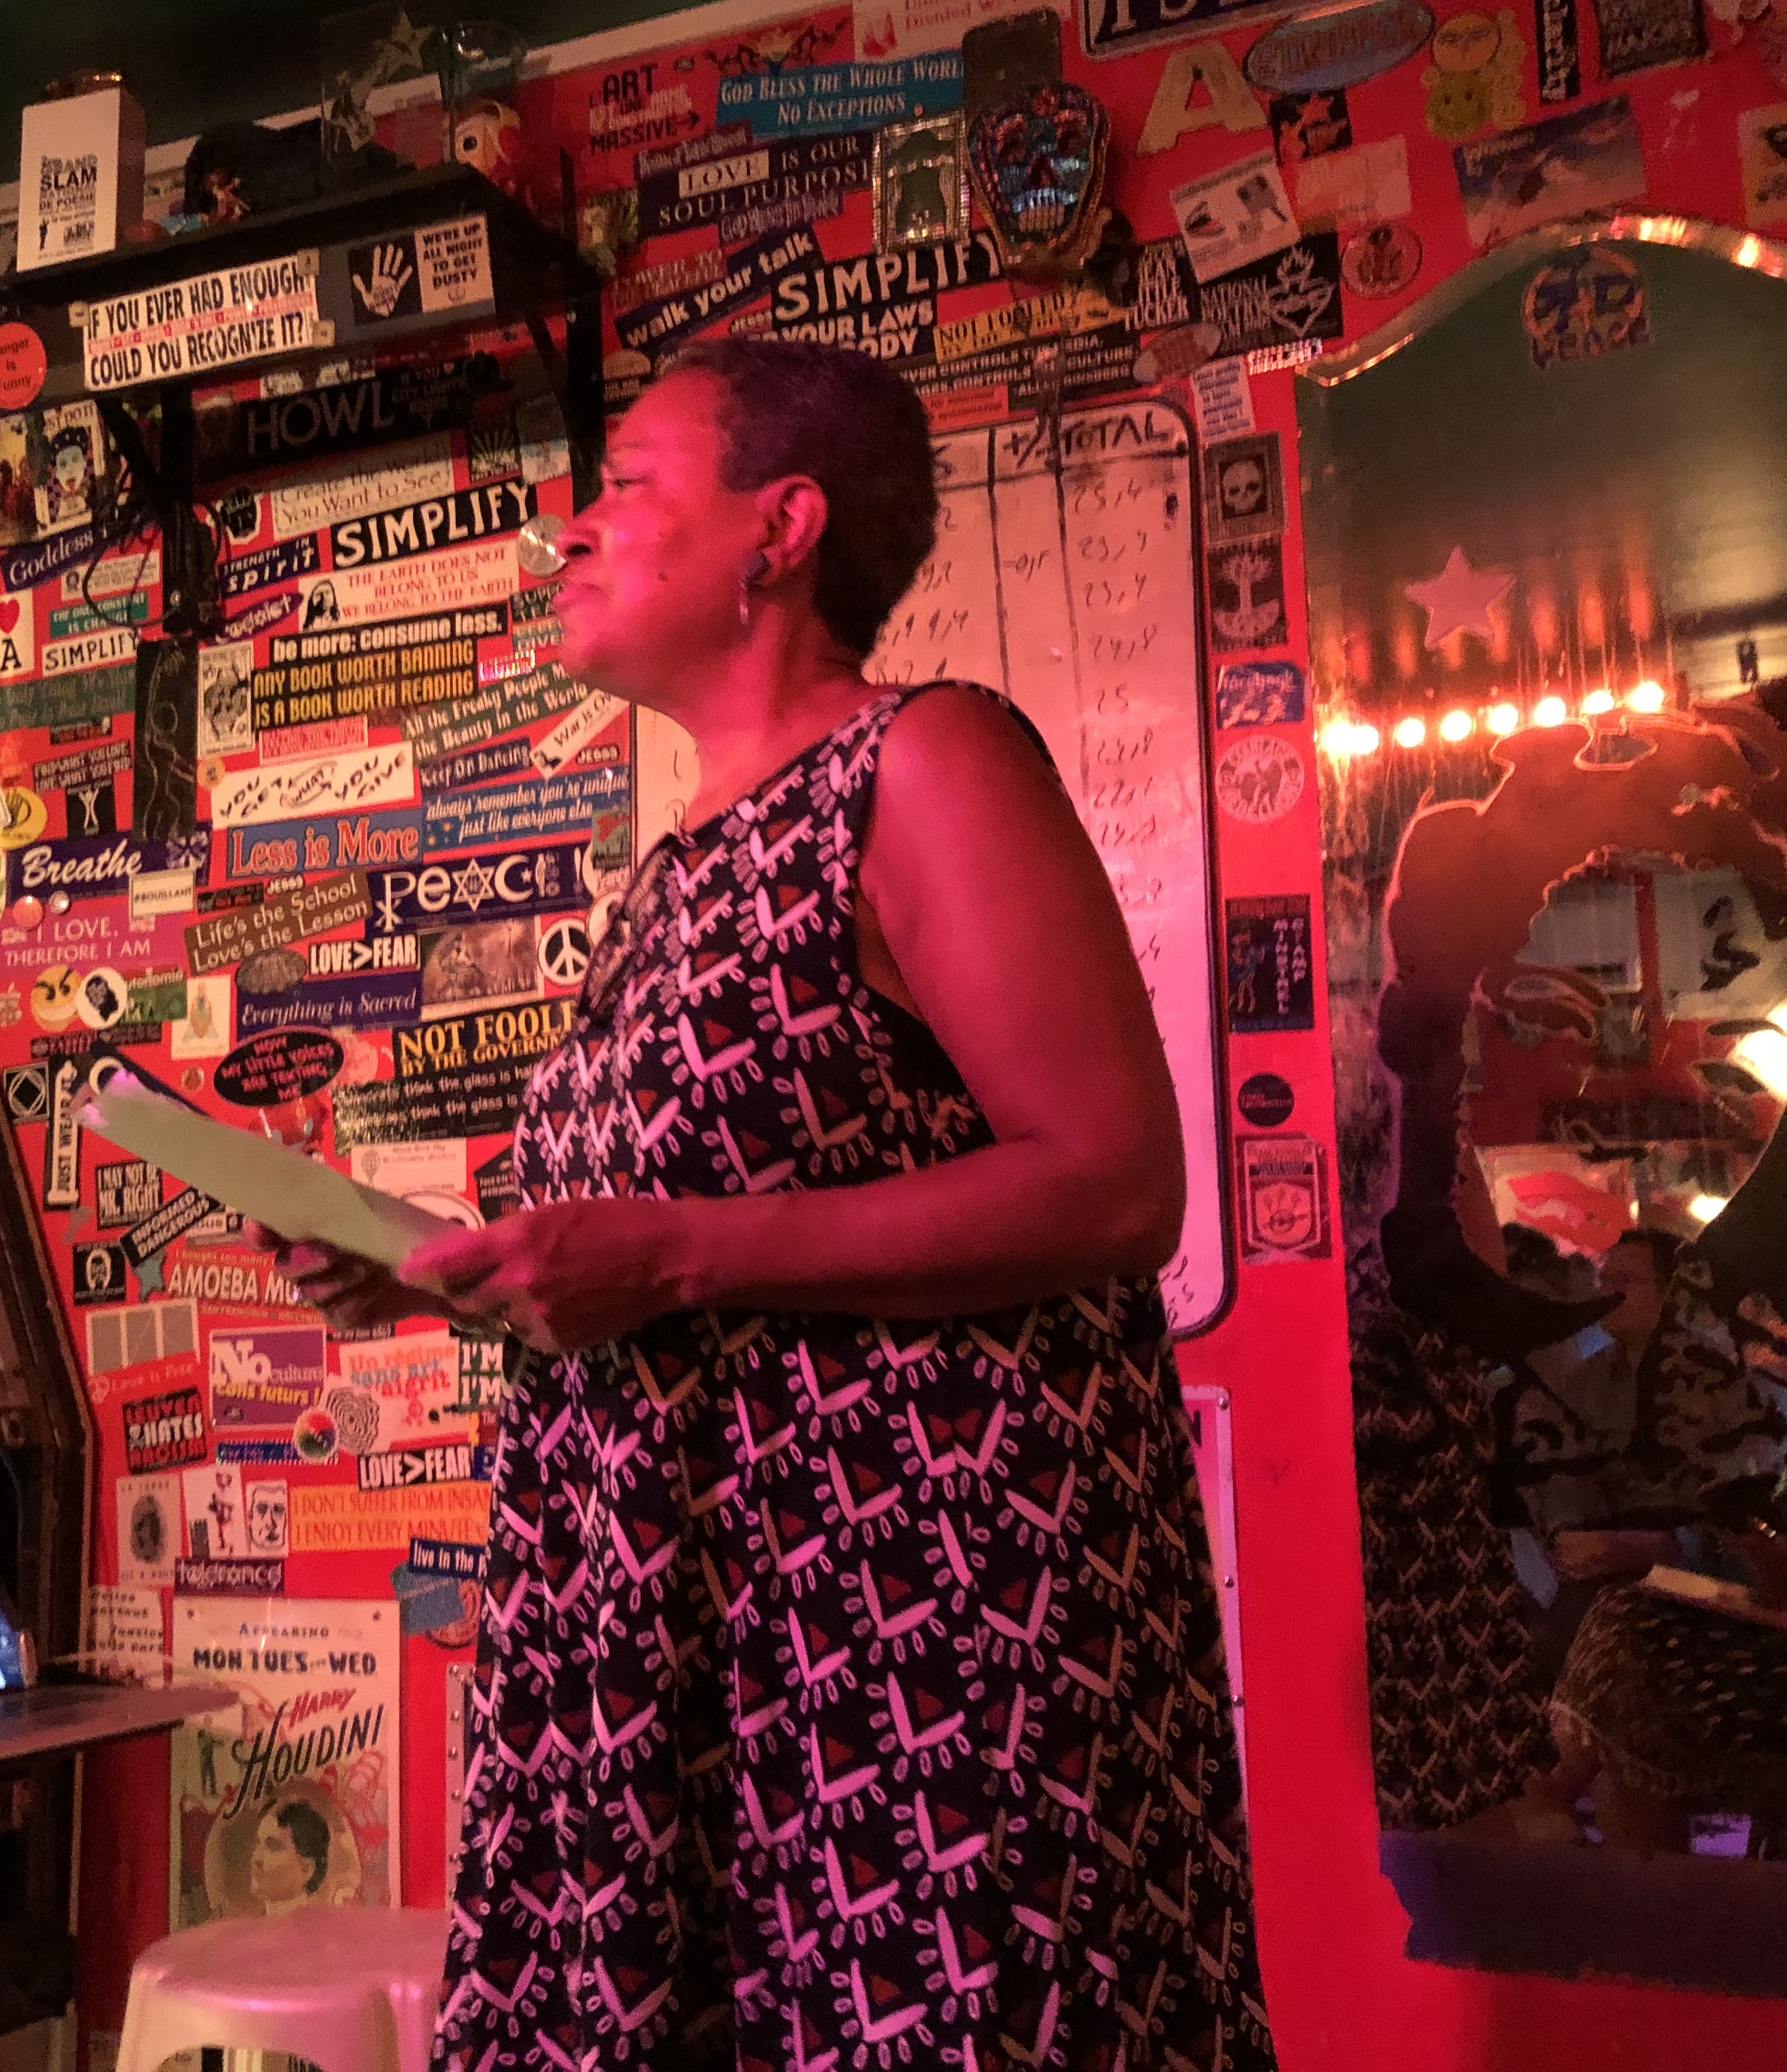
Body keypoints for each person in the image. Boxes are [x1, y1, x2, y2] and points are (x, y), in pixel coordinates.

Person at [258, 337, 1272, 2070]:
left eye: (630, 485)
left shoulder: (924, 761)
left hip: (910, 1636)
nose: (575, 529)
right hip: (684, 1623)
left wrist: (669, 1251)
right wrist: (439, 1279)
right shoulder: (677, 872)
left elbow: (1115, 1181)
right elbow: (685, 1258)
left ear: (779, 530)